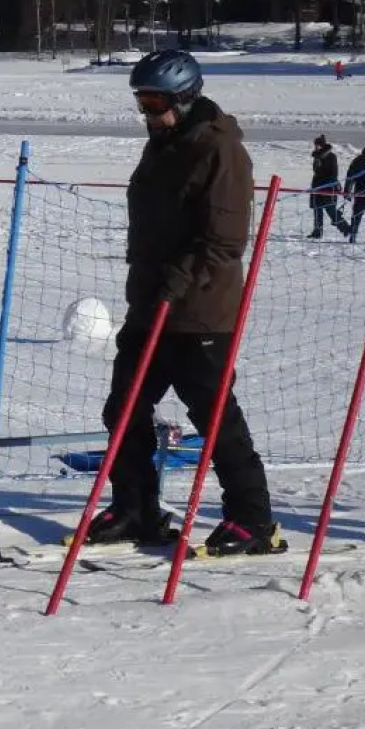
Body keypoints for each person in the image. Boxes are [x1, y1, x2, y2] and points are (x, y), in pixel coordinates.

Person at [85, 48, 276, 556]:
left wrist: (176, 282)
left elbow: (224, 240)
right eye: (141, 102)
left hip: (200, 311)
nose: (148, 112)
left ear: (186, 98)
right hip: (151, 305)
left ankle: (252, 519)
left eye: (155, 102)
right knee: (123, 409)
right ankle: (137, 507)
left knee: (213, 418)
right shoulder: (164, 142)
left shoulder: (220, 151)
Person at [308, 135, 350, 240]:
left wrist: (329, 184)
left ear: (322, 145)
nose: (316, 147)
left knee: (331, 210)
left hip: (328, 187)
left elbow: (333, 173)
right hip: (317, 186)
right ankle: (317, 231)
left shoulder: (331, 157)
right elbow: (316, 172)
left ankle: (346, 228)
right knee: (317, 210)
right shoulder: (317, 157)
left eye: (318, 145)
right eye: (315, 145)